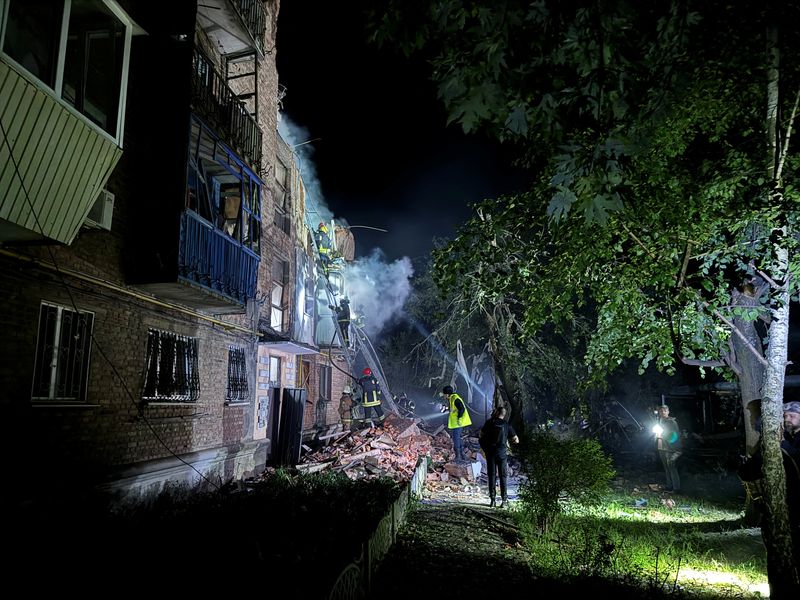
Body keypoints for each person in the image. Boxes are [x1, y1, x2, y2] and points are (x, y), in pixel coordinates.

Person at [479, 405, 519, 508]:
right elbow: (516, 440)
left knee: (491, 476)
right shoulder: (506, 425)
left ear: (496, 413)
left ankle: (492, 501)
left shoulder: (489, 422)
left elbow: (481, 434)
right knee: (503, 477)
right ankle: (504, 501)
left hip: (490, 453)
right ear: (504, 415)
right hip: (502, 453)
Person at [655, 404, 682, 492]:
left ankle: (676, 488)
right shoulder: (660, 421)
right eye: (661, 411)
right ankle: (669, 485)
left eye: (664, 411)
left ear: (668, 412)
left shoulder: (672, 422)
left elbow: (675, 435)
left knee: (672, 467)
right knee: (666, 468)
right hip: (662, 447)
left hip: (670, 448)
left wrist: (675, 449)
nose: (662, 412)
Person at [443, 385, 472, 462]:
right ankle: (462, 455)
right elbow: (453, 409)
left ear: (447, 394)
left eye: (444, 394)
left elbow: (461, 409)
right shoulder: (452, 398)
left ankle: (458, 457)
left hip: (458, 423)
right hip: (456, 423)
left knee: (456, 438)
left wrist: (459, 418)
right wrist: (446, 409)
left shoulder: (455, 398)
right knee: (457, 438)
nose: (443, 396)